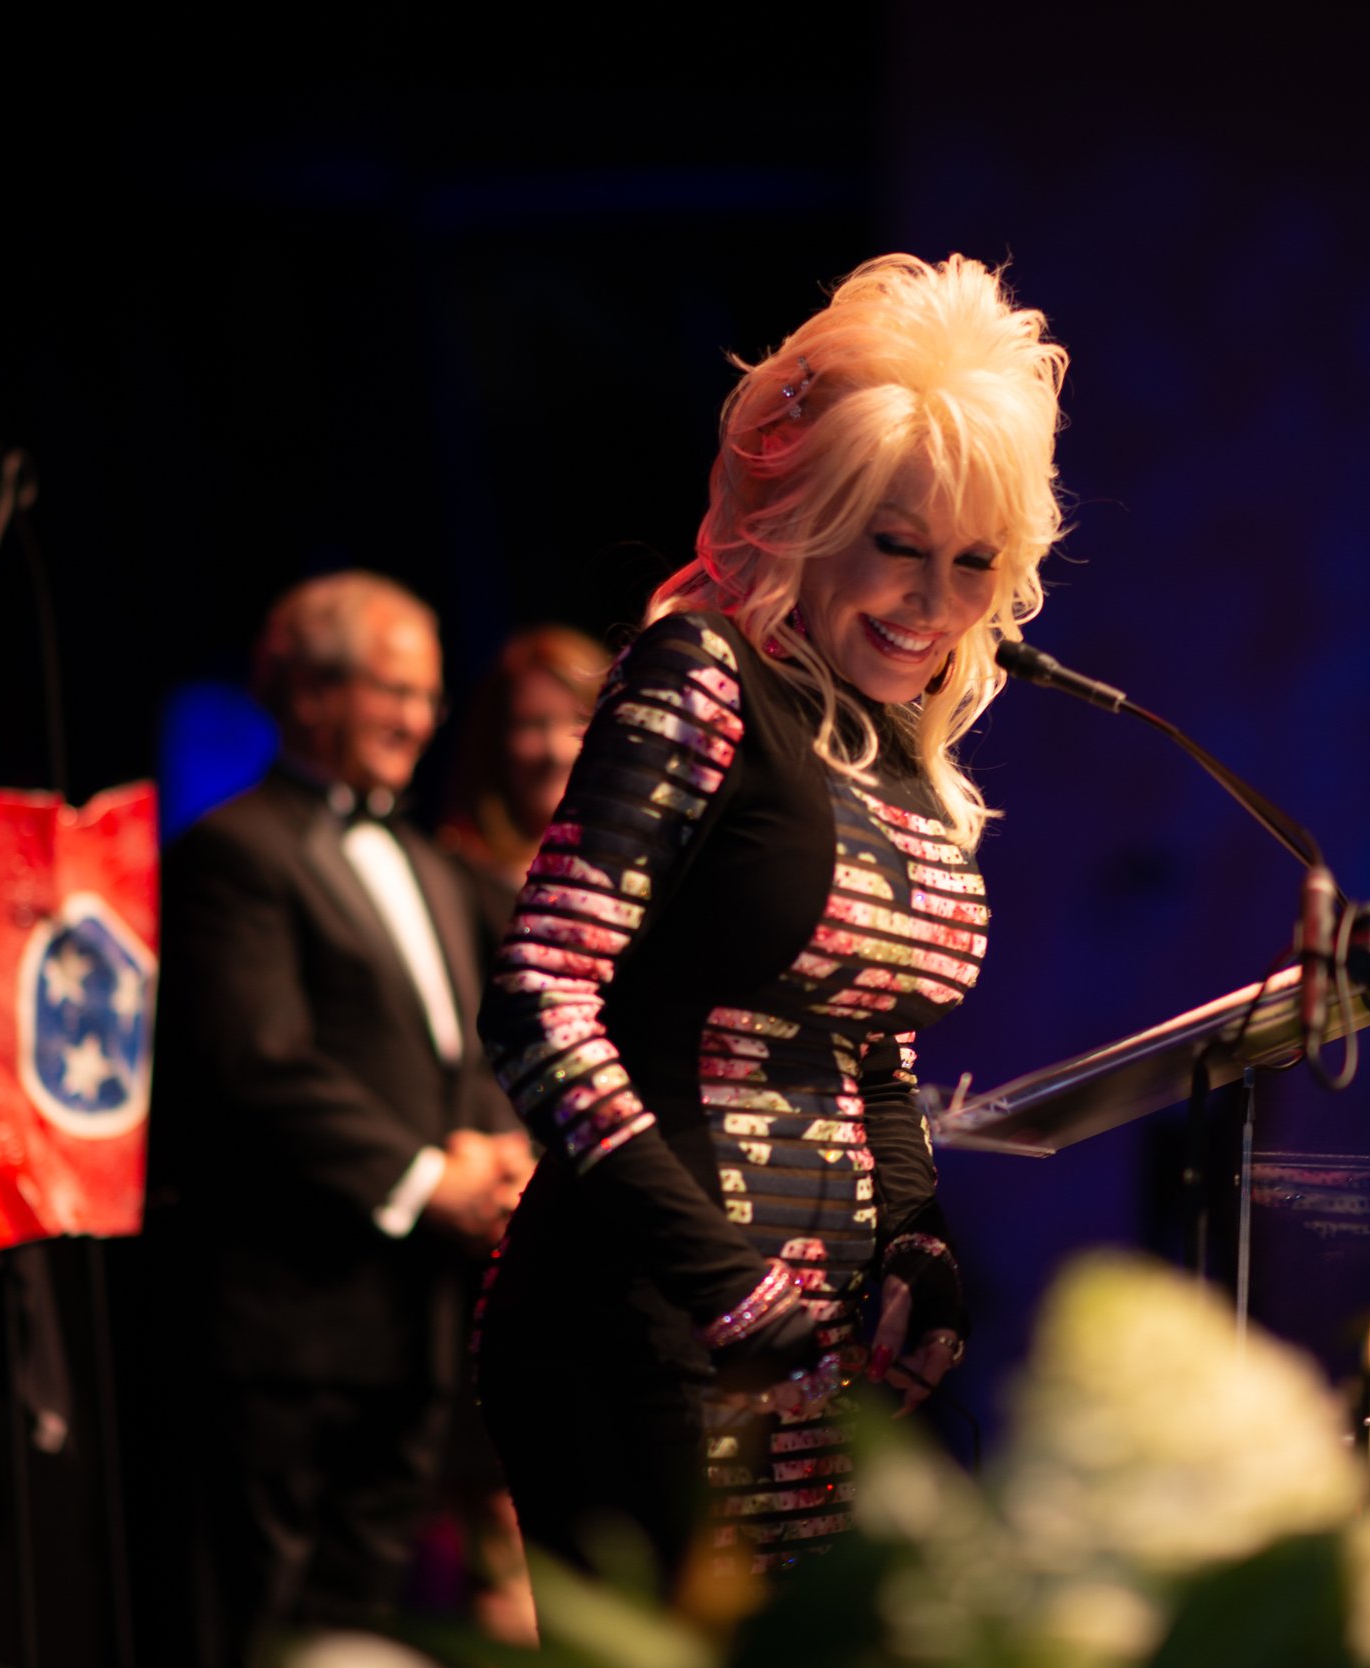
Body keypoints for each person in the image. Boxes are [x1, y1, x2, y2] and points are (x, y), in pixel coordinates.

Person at [472, 253, 1069, 1583]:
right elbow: (536, 1001)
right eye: (896, 547)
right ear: (807, 519)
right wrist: (723, 1283)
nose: (933, 605)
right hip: (644, 1335)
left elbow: (872, 1052)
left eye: (973, 563)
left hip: (813, 1360)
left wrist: (917, 1246)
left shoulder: (893, 743)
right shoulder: (702, 672)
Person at [150, 571, 533, 1663]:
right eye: (392, 691)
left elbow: (466, 1046)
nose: (419, 718)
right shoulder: (232, 852)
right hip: (288, 1328)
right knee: (258, 1627)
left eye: (428, 695)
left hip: (414, 1332)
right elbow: (256, 1065)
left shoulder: (431, 863)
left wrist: (496, 1150)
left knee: (360, 1632)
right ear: (310, 694)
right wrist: (425, 1178)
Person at [437, 623, 611, 913]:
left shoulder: (638, 861)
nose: (556, 751)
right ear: (495, 739)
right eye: (531, 724)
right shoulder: (456, 874)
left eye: (578, 721)